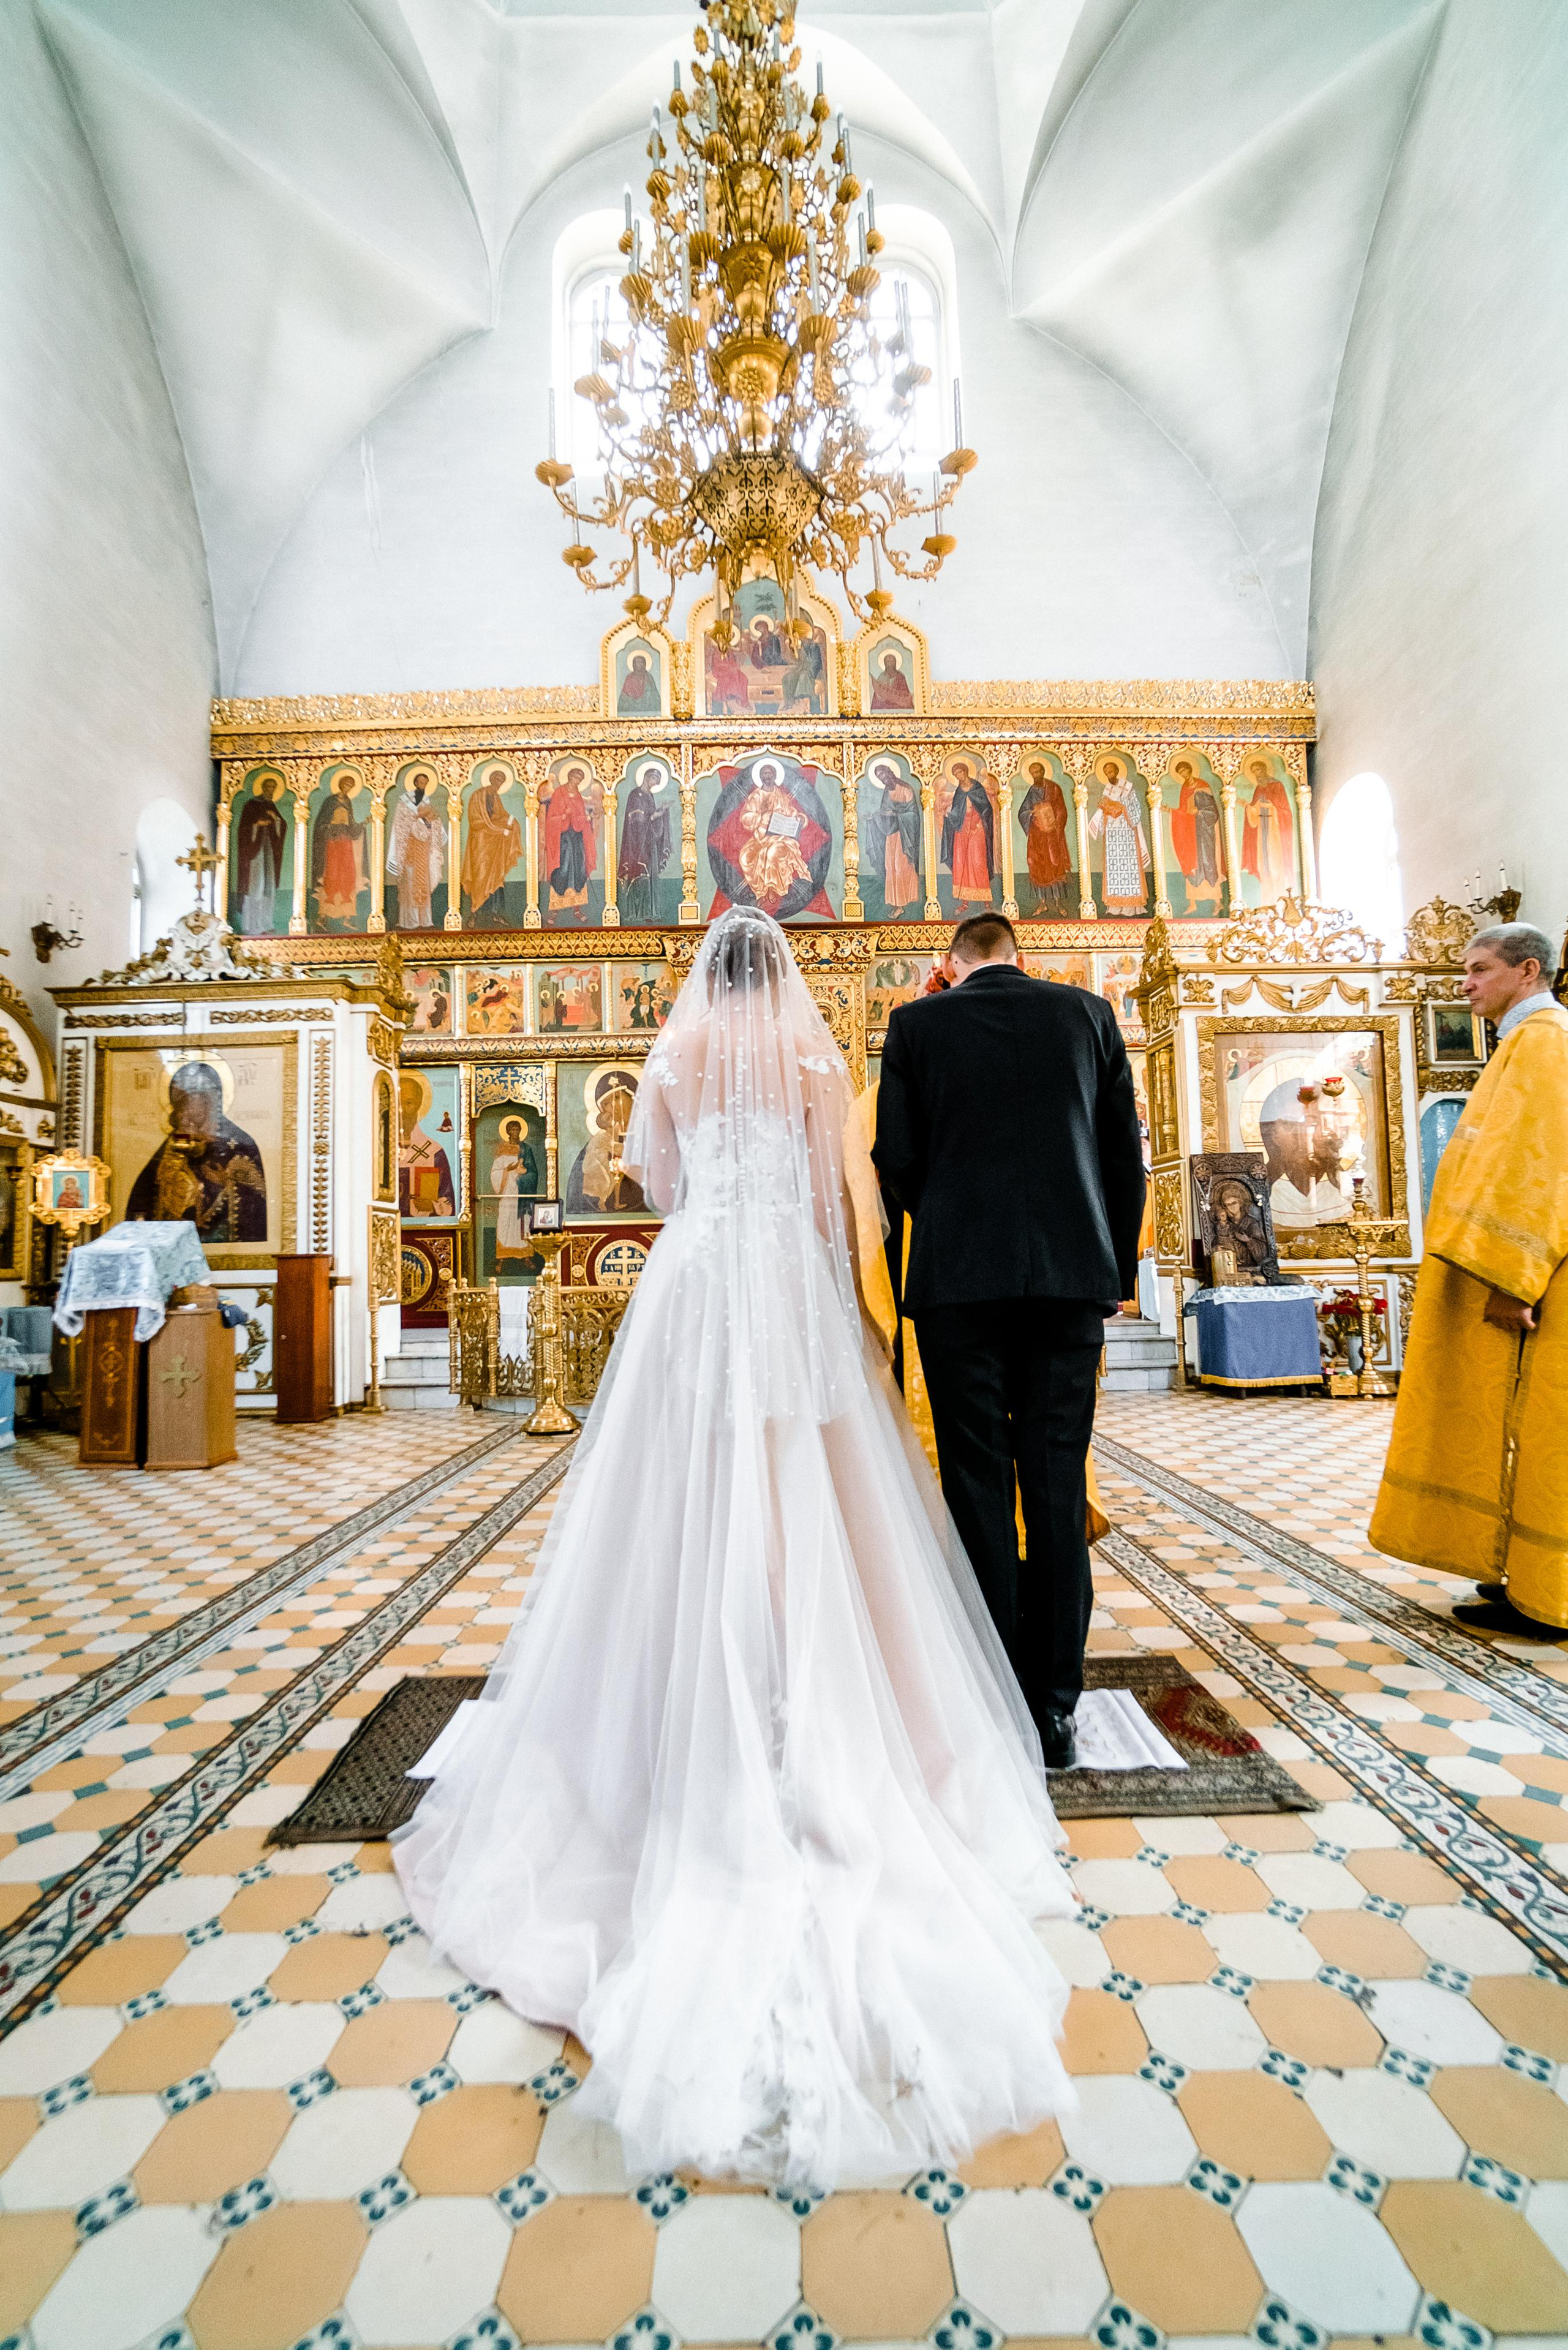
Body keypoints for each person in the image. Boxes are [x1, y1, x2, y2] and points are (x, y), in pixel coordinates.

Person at [395, 908, 1076, 2190]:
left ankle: (672, 1721)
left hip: (698, 1277)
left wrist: (720, 1198)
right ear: (789, 977)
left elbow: (655, 1178)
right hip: (786, 1282)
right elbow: (838, 1194)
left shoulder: (681, 1043)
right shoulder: (814, 1058)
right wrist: (828, 1284)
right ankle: (823, 1706)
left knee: (674, 1488)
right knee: (812, 1488)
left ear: (709, 973)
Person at [873, 912, 1145, 1767]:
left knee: (978, 1486)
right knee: (1056, 1487)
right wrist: (1111, 1269)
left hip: (959, 1289)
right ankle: (1055, 1711)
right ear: (1018, 956)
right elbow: (1122, 1155)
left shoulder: (917, 1024)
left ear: (947, 965)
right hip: (1071, 1285)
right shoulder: (1088, 1014)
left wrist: (954, 1223)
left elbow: (897, 1158)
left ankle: (991, 1694)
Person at [1371, 923, 1568, 1632]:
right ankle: (1520, 1568)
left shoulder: (1544, 1044)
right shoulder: (1525, 1041)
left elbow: (1538, 1171)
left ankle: (1550, 1595)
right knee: (1522, 1423)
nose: (1464, 985)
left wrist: (1514, 1279)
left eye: (1478, 970)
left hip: (1532, 1278)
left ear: (1525, 971)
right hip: (1522, 1269)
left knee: (1545, 1427)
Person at [128, 1061, 267, 1242]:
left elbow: (253, 1206)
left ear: (211, 1099)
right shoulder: (171, 1145)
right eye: (178, 1098)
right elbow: (141, 1202)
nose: (182, 1106)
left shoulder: (240, 1144)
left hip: (222, 1242)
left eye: (190, 1096)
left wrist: (219, 1182)